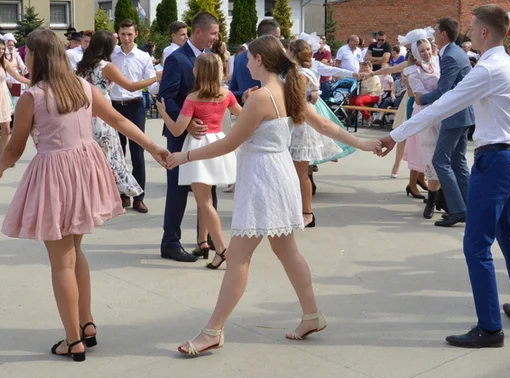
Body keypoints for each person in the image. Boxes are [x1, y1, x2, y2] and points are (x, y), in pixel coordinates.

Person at [167, 36, 381, 356]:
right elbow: (324, 124)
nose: (245, 64)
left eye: (249, 59)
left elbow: (229, 143)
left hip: (262, 178)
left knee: (239, 258)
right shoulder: (285, 91)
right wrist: (364, 144)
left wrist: (184, 157)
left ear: (259, 61)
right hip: (278, 174)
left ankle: (213, 330)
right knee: (286, 251)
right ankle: (311, 315)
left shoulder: (261, 97)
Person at [0, 29, 169, 361]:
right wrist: (153, 147)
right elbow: (120, 121)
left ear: (37, 57)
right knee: (76, 251)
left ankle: (73, 340)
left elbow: (15, 147)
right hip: (86, 170)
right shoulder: (84, 87)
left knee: (61, 263)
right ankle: (86, 323)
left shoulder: (33, 97)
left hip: (55, 174)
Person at [381, 5, 510, 349]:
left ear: (485, 32)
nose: (467, 30)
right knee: (509, 235)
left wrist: (393, 136)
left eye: (472, 26)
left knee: (476, 244)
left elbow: (444, 104)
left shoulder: (488, 70)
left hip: (496, 159)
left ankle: (489, 327)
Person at [162, 53, 240, 269]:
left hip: (197, 147)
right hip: (217, 144)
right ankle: (203, 242)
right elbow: (242, 115)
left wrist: (164, 113)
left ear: (200, 71)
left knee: (204, 201)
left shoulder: (193, 98)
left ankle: (222, 250)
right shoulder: (226, 94)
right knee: (206, 198)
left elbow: (177, 129)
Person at [159, 12, 222, 262]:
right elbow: (167, 96)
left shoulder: (210, 58)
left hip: (205, 138)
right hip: (180, 136)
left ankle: (206, 241)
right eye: (213, 33)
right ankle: (170, 243)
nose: (216, 37)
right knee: (177, 191)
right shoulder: (177, 59)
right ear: (199, 32)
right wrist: (186, 124)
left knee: (208, 189)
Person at [77, 30, 157, 202]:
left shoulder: (83, 66)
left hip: (85, 117)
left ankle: (97, 195)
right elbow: (130, 86)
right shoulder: (105, 66)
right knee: (112, 157)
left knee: (94, 158)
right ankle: (126, 192)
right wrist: (154, 78)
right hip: (103, 116)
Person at [288, 37, 358, 228]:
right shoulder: (297, 72)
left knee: (302, 173)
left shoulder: (301, 74)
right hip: (298, 124)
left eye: (288, 50)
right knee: (297, 173)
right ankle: (298, 210)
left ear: (293, 53)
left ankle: (307, 213)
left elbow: (299, 97)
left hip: (302, 126)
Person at [413, 18, 475, 227]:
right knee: (458, 161)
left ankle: (457, 209)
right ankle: (468, 206)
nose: (433, 34)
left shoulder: (450, 56)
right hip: (462, 114)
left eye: (436, 30)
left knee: (440, 161)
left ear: (444, 34)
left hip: (454, 115)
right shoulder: (455, 52)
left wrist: (423, 98)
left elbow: (444, 89)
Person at [109, 20, 158, 212]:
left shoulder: (143, 56)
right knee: (117, 152)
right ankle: (122, 194)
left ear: (136, 34)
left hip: (135, 105)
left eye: (130, 34)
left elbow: (152, 83)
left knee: (137, 152)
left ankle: (139, 196)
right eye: (123, 34)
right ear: (118, 35)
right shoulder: (112, 55)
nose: (126, 38)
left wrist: (161, 85)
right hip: (114, 106)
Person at [405, 36, 445, 218]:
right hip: (427, 117)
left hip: (443, 115)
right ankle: (430, 200)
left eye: (428, 49)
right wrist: (444, 93)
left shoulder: (438, 62)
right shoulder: (414, 72)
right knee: (430, 157)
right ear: (416, 54)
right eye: (422, 51)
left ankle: (441, 197)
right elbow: (420, 97)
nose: (426, 53)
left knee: (444, 157)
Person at [0, 37, 28, 159]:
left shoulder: (4, 62)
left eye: (3, 49)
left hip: (2, 95)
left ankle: (3, 157)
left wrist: (33, 82)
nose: (1, 51)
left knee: (6, 129)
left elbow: (18, 77)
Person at [229, 19, 281, 103]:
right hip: (267, 108)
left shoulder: (239, 57)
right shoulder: (271, 59)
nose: (280, 41)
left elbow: (232, 91)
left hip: (245, 108)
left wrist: (243, 96)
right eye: (278, 37)